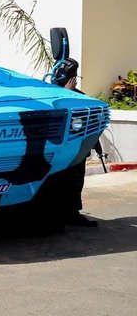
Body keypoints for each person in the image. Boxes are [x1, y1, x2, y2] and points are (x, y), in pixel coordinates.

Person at [51, 58, 99, 228]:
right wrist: (67, 93)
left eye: (75, 74)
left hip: (78, 148)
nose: (74, 78)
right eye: (71, 74)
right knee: (58, 181)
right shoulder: (51, 93)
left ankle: (73, 213)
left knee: (76, 181)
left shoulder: (79, 96)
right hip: (59, 148)